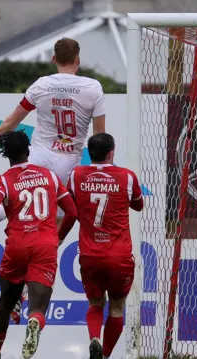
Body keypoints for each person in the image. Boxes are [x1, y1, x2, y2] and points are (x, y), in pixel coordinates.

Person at [0, 37, 106, 324]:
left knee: (14, 197)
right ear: (78, 59)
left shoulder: (41, 85)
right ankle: (26, 289)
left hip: (38, 155)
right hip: (66, 162)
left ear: (53, 59)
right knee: (51, 230)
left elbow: (13, 119)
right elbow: (99, 138)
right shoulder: (93, 88)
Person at [0, 130, 77, 359]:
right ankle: (33, 321)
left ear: (6, 155)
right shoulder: (49, 176)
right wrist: (58, 236)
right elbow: (72, 211)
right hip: (44, 246)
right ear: (28, 150)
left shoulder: (3, 180)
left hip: (17, 247)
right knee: (38, 307)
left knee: (4, 303)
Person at [57, 133, 143, 359]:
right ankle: (104, 355)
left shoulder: (76, 176)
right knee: (116, 307)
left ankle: (94, 337)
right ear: (111, 153)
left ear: (89, 153)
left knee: (95, 303)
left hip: (90, 255)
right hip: (119, 256)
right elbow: (138, 205)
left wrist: (59, 237)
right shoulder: (127, 176)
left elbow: (71, 211)